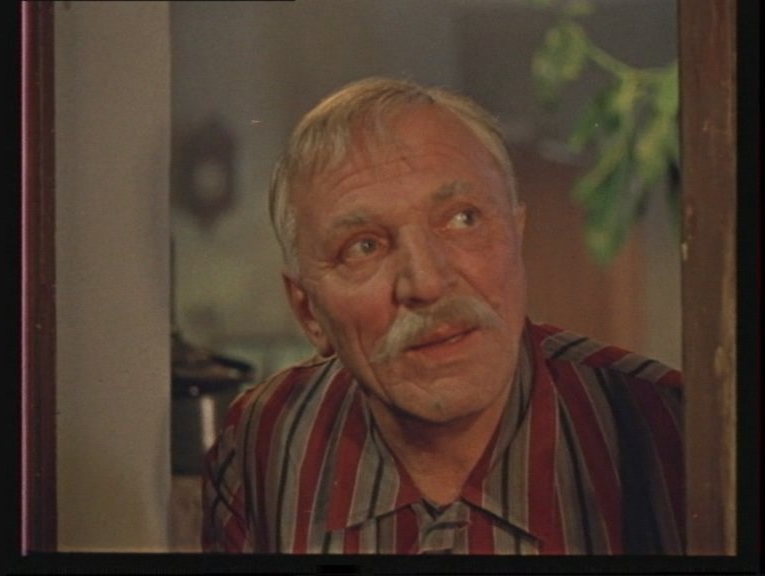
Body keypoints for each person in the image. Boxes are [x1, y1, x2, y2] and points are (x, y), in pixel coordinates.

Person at [201, 77, 685, 555]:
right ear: (308, 312)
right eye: (364, 247)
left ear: (516, 234)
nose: (427, 283)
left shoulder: (669, 428)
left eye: (462, 219)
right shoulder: (264, 440)